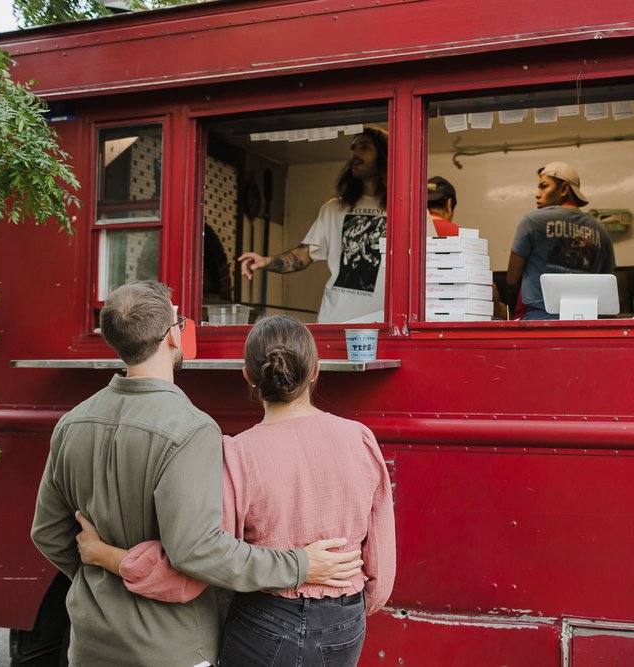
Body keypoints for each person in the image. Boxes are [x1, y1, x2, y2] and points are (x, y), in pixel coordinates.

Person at [30, 281, 362, 667]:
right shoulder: (193, 430)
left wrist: (100, 577)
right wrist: (299, 565)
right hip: (173, 647)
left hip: (89, 642)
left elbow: (48, 533)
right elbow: (198, 550)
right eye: (181, 320)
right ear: (172, 337)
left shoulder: (72, 423)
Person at [238, 127, 388, 324]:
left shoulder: (405, 209)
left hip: (383, 322)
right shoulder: (335, 207)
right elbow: (304, 255)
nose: (355, 154)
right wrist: (266, 261)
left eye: (365, 147)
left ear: (384, 155)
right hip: (335, 321)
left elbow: (427, 261)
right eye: (353, 148)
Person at [505, 161, 616, 319]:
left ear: (564, 189)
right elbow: (608, 287)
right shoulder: (601, 232)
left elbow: (511, 281)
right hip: (586, 325)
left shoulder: (533, 221)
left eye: (544, 186)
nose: (537, 193)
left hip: (538, 322)